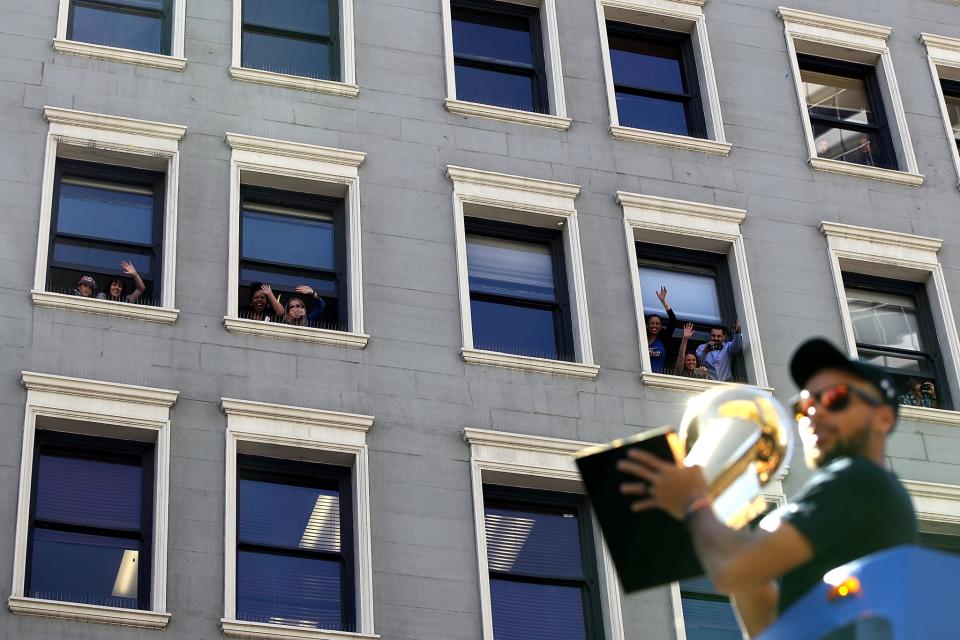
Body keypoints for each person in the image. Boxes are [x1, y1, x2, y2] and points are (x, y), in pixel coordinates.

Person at [617, 338, 917, 637]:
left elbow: (734, 569)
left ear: (883, 417)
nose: (814, 414)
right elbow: (767, 625)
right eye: (805, 405)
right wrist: (725, 517)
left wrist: (694, 502)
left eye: (835, 398)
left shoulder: (859, 479)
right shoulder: (862, 495)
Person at [646, 287, 678, 374]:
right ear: (647, 326)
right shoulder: (642, 338)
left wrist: (663, 301)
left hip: (659, 377)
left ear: (661, 327)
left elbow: (673, 320)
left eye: (657, 324)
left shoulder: (664, 338)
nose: (654, 326)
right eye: (652, 323)